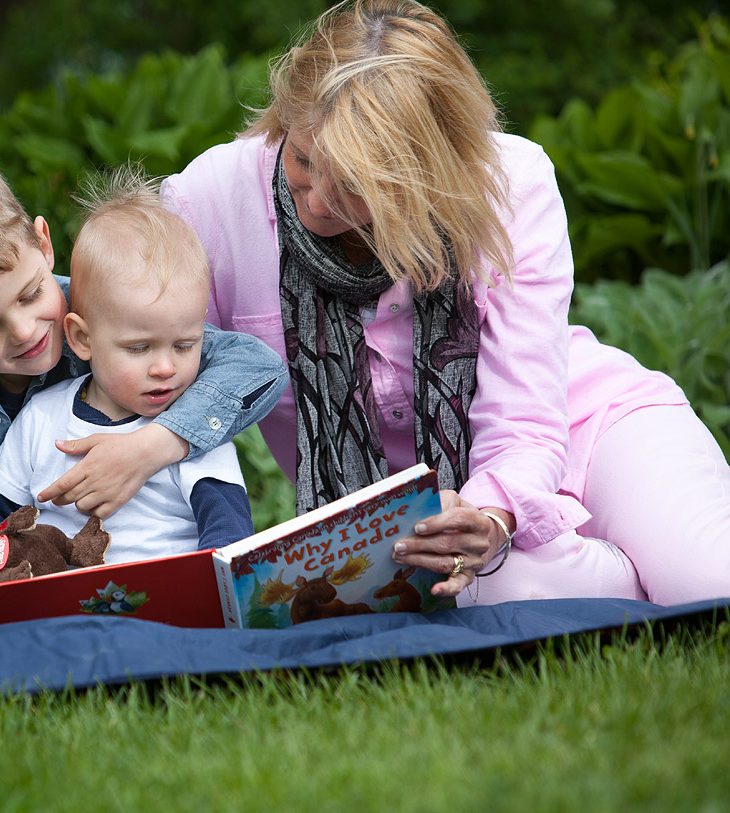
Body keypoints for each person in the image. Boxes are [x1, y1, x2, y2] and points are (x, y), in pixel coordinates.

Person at [161, 0, 730, 606]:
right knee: (435, 591)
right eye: (304, 159)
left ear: (425, 171)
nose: (318, 202)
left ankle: (628, 560)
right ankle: (623, 571)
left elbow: (523, 420)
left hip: (591, 428)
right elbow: (136, 350)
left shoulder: (510, 182)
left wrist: (489, 517)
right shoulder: (209, 202)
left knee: (709, 585)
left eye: (356, 184)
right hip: (419, 532)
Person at [0, 150, 288, 658]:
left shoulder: (106, 309)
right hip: (2, 592)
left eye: (30, 293)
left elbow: (257, 366)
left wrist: (151, 446)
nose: (25, 331)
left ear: (43, 244)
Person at [0, 168, 255, 560]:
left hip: (165, 601)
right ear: (83, 339)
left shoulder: (193, 429)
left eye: (185, 345)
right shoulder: (42, 417)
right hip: (61, 606)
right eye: (139, 348)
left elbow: (227, 532)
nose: (165, 368)